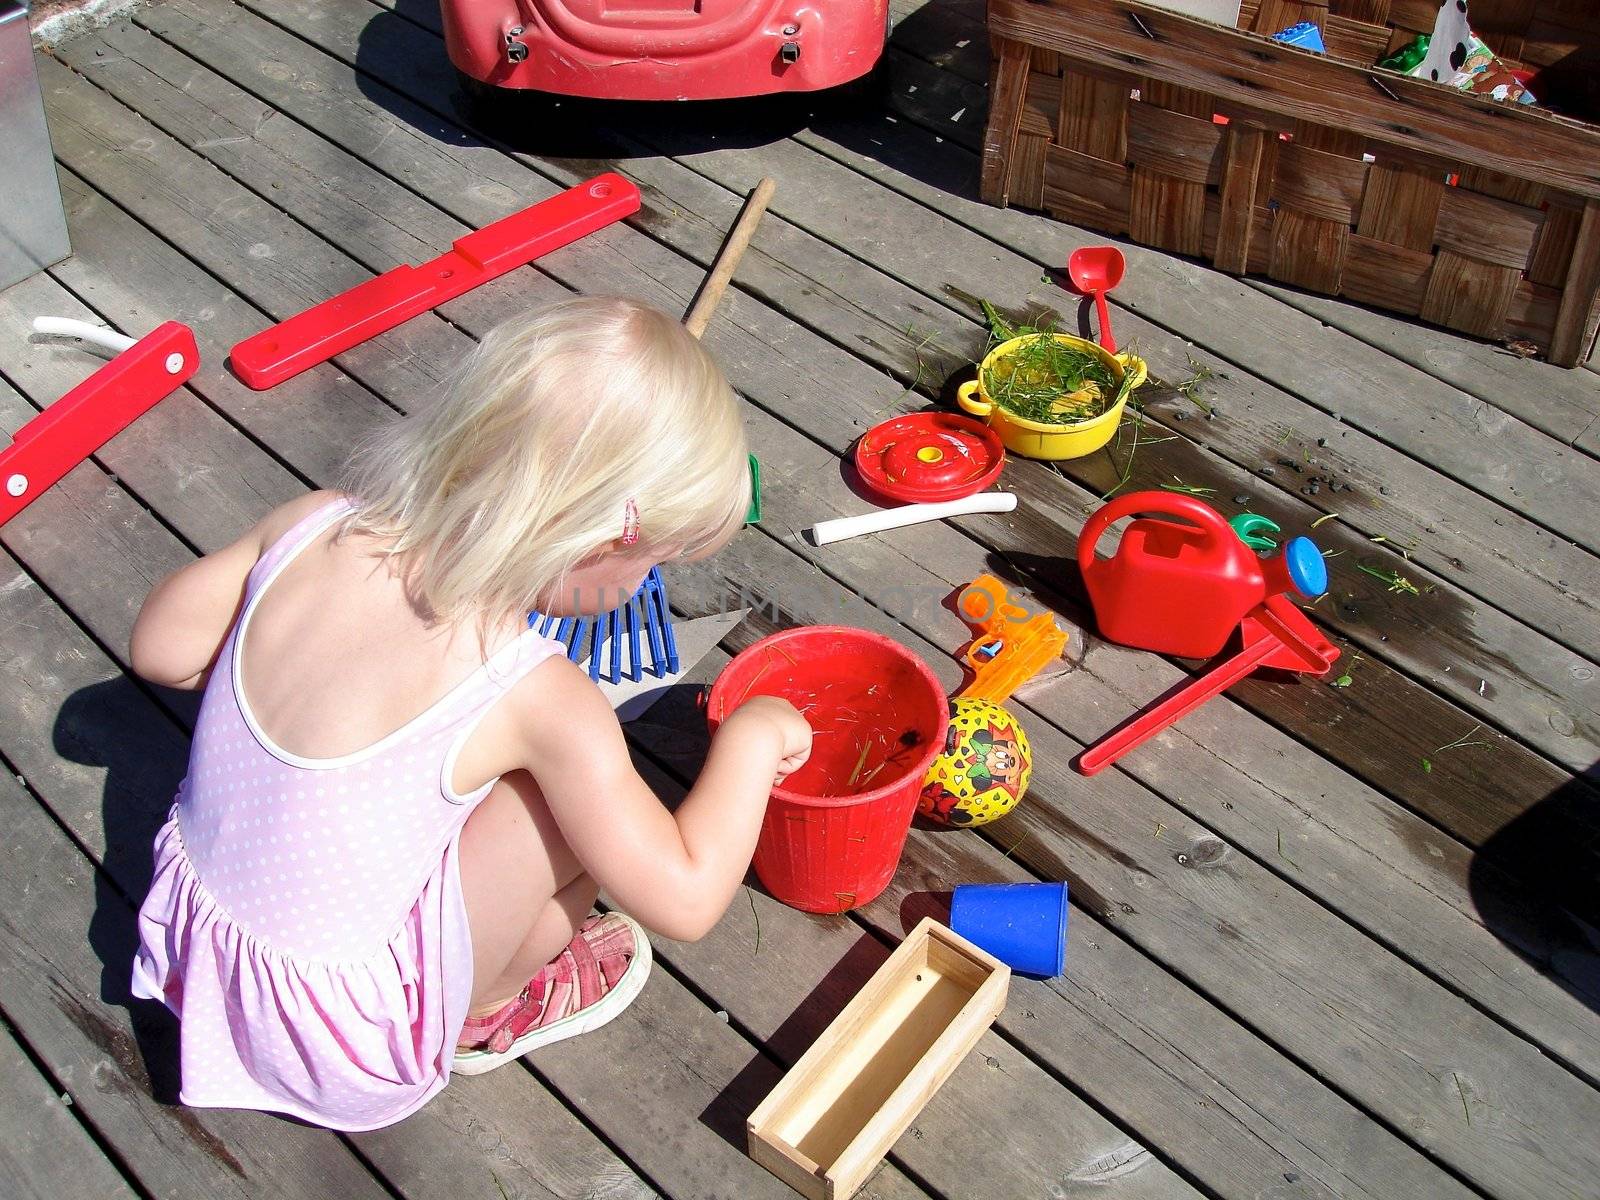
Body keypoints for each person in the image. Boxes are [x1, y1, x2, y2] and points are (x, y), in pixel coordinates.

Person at [126, 297, 811, 1131]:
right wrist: (752, 736)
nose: (641, 587)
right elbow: (688, 899)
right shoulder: (539, 693)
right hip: (344, 1041)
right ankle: (481, 1010)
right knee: (565, 811)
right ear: (593, 542)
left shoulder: (314, 524)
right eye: (650, 562)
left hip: (198, 960)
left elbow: (161, 649)